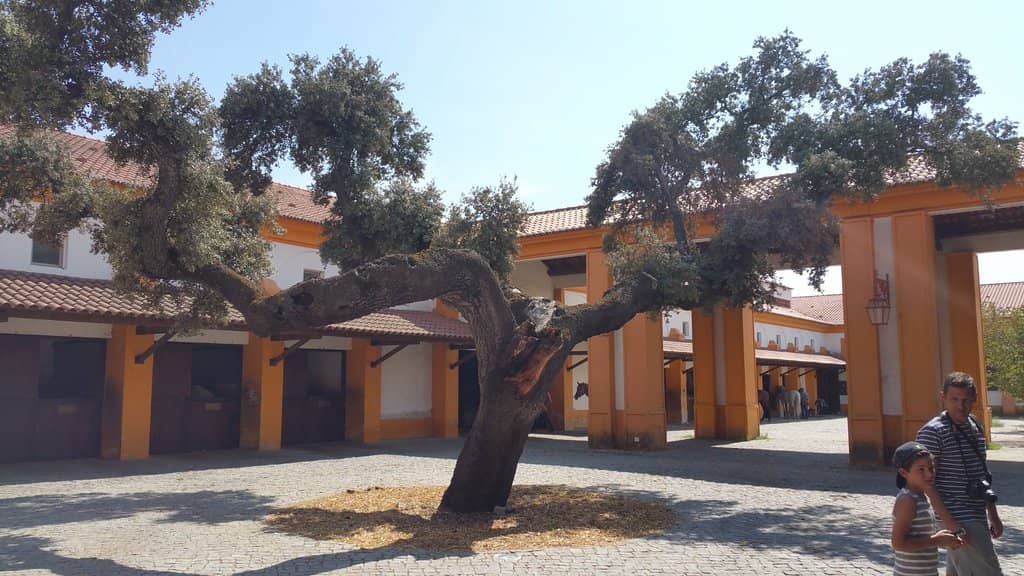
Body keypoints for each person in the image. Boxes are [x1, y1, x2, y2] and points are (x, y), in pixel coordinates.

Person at [916, 371, 1004, 575]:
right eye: (954, 399)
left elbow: (983, 474)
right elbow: (926, 484)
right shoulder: (932, 432)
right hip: (957, 517)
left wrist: (993, 514)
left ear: (974, 399)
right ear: (943, 398)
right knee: (989, 571)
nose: (960, 405)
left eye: (965, 400)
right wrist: (951, 524)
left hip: (976, 513)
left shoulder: (974, 425)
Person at [891, 441, 963, 576]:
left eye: (931, 468)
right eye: (921, 470)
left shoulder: (922, 497)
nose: (929, 475)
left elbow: (923, 537)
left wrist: (945, 540)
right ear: (903, 472)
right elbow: (898, 544)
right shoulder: (908, 500)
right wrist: (937, 540)